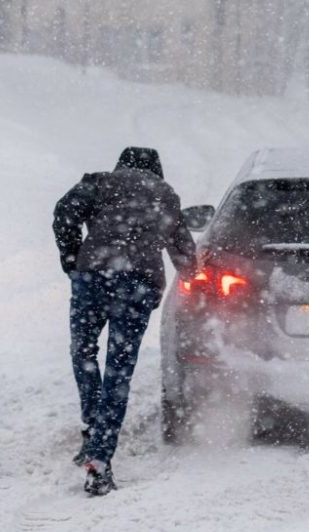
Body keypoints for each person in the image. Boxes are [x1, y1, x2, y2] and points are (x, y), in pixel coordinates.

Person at [53, 147, 197, 496]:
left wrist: (73, 259)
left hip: (93, 278)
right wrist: (193, 275)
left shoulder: (99, 182)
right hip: (137, 285)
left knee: (84, 353)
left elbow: (64, 213)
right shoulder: (165, 195)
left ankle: (91, 430)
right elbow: (183, 250)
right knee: (119, 368)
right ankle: (100, 462)